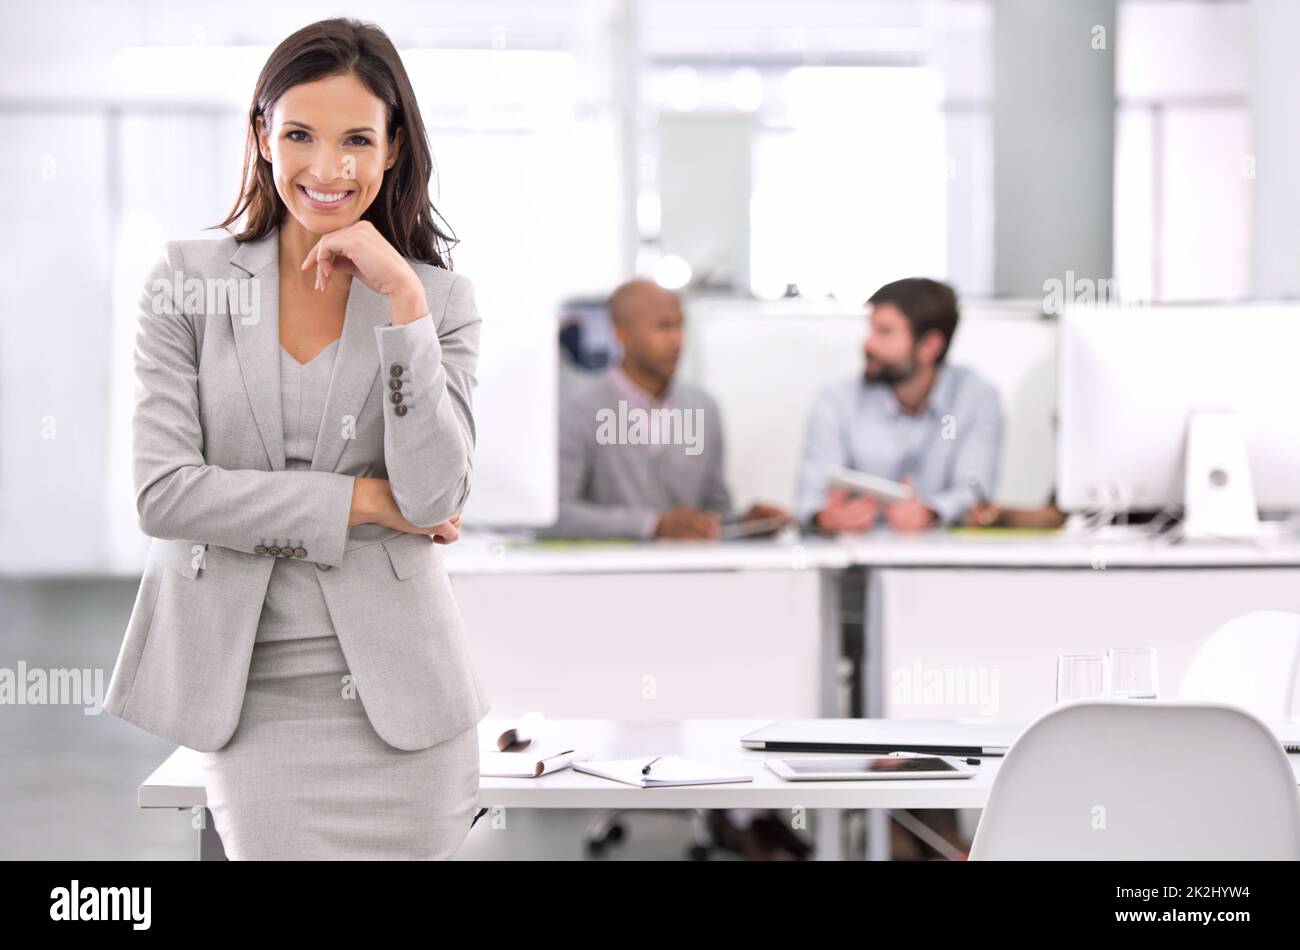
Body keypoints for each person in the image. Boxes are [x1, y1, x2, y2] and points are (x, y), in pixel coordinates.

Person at [103, 18, 490, 859]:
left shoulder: (438, 301)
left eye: (357, 139)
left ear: (392, 149)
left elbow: (431, 497)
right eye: (301, 135)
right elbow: (165, 493)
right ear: (261, 136)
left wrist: (402, 304)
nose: (327, 167)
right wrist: (357, 501)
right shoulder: (186, 282)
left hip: (406, 704)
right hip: (252, 695)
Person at [543, 278, 789, 540]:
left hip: (689, 574)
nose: (676, 340)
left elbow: (714, 512)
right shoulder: (580, 408)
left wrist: (746, 524)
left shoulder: (703, 408)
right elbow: (554, 515)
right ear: (621, 333)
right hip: (611, 575)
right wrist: (651, 525)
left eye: (680, 325)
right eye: (662, 326)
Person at [796, 277, 1004, 533]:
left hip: (940, 559)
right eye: (871, 329)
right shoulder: (837, 401)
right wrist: (824, 518)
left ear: (929, 345)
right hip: (854, 560)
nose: (868, 343)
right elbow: (809, 494)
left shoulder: (974, 399)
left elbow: (974, 489)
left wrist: (931, 512)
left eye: (885, 331)